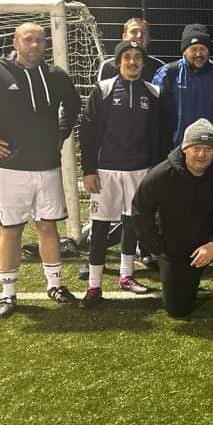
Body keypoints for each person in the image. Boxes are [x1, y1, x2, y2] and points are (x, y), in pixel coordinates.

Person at [0, 22, 82, 318]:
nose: (35, 45)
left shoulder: (56, 76)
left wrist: (60, 134)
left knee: (48, 226)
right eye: (29, 39)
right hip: (10, 168)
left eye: (40, 40)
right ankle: (8, 293)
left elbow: (73, 106)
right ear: (15, 41)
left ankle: (55, 285)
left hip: (47, 167)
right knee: (12, 230)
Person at [131, 119, 213, 319]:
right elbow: (140, 212)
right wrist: (160, 248)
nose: (201, 154)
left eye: (208, 148)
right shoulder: (161, 175)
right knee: (178, 310)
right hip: (179, 247)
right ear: (184, 148)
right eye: (196, 148)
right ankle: (185, 281)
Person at [78, 40, 162, 306]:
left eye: (137, 57)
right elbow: (88, 133)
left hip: (140, 170)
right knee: (100, 227)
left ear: (143, 62)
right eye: (127, 56)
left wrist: (156, 172)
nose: (133, 61)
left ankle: (126, 276)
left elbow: (159, 138)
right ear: (118, 62)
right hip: (106, 171)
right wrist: (89, 170)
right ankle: (94, 285)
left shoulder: (153, 92)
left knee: (132, 224)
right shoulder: (102, 90)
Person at [153, 23, 213, 150]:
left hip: (212, 148)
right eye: (193, 49)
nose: (199, 54)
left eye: (202, 49)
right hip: (179, 148)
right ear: (184, 50)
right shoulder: (169, 73)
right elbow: (157, 115)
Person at [97, 16, 164, 83]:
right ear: (124, 37)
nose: (139, 36)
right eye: (134, 31)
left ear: (148, 39)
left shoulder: (159, 67)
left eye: (144, 32)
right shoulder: (108, 66)